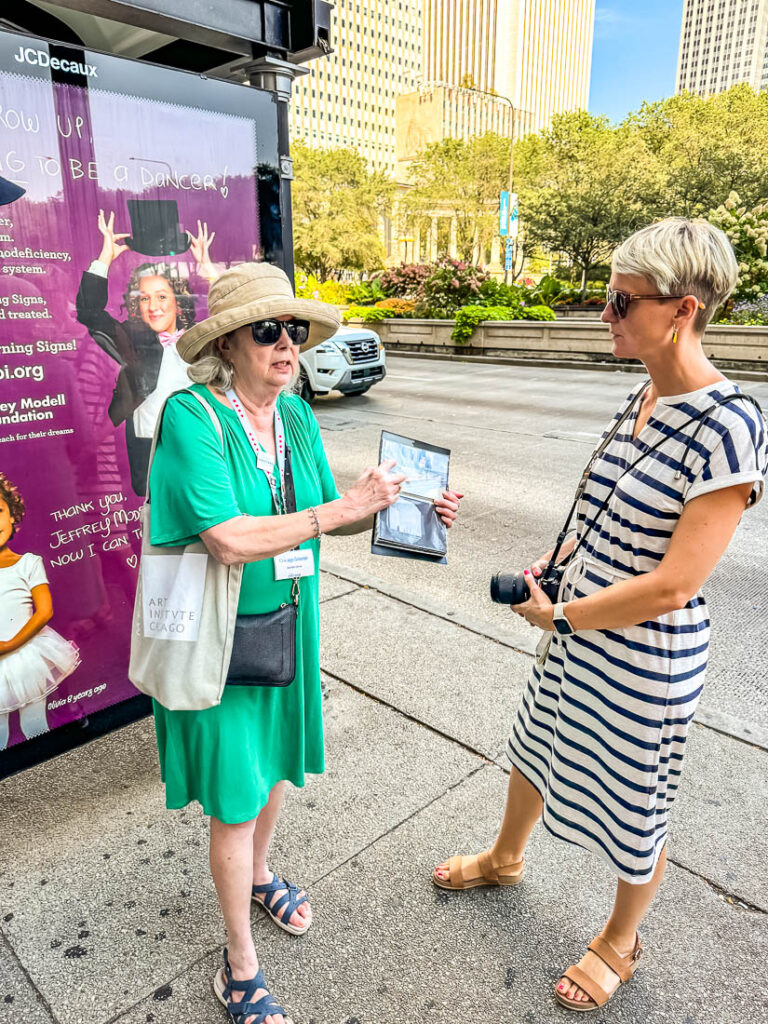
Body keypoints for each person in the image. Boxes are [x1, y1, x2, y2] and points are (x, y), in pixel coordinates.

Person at [433, 218, 768, 1012]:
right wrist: (555, 573)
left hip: (643, 654)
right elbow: (606, 507)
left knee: (633, 796)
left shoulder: (731, 426)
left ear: (682, 309)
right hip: (577, 620)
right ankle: (507, 857)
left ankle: (621, 940)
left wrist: (565, 617)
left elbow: (674, 585)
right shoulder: (642, 393)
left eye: (620, 301)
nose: (605, 314)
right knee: (534, 740)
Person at [147, 261, 462, 1024]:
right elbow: (225, 540)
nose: (287, 346)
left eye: (294, 330)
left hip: (287, 624)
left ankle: (261, 874)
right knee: (234, 795)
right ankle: (238, 964)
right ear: (227, 346)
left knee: (278, 765)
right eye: (268, 332)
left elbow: (331, 509)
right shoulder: (192, 418)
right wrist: (339, 510)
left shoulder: (292, 416)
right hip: (220, 642)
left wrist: (403, 505)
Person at [76, 210, 215, 495]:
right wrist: (105, 258)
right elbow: (89, 312)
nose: (153, 306)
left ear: (179, 303)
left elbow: (235, 316)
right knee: (153, 521)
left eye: (162, 297)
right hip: (148, 448)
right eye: (144, 299)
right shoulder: (132, 338)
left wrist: (207, 268)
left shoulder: (201, 339)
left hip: (198, 444)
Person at [0, 473, 80, 749]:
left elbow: (44, 611)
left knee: (33, 722)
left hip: (26, 658)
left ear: (12, 514)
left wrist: (10, 643)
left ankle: (47, 775)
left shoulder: (28, 564)